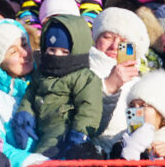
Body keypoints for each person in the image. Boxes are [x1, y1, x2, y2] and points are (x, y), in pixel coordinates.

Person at [12, 15, 103, 159]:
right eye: (51, 50)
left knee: (42, 159)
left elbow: (89, 107)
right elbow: (30, 95)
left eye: (64, 52)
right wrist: (25, 112)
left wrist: (80, 133)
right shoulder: (42, 73)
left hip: (63, 132)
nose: (56, 56)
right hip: (41, 128)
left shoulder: (84, 77)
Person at [0, 19, 47, 167]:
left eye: (24, 44)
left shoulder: (46, 80)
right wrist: (39, 162)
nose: (25, 53)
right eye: (13, 52)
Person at [88, 7, 151, 153]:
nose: (115, 46)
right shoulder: (83, 72)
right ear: (96, 38)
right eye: (108, 37)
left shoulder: (137, 83)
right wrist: (108, 87)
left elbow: (136, 128)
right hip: (92, 153)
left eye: (123, 42)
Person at [111, 70, 165, 160]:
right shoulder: (120, 147)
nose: (135, 112)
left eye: (143, 105)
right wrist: (130, 153)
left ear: (161, 113)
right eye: (131, 106)